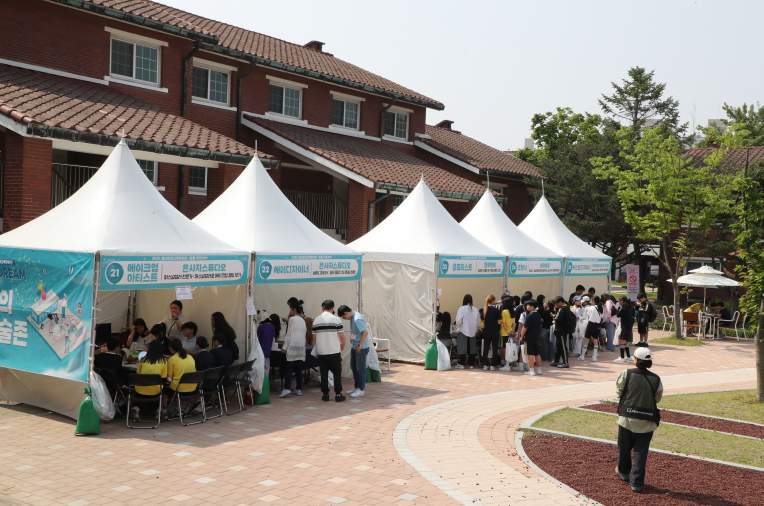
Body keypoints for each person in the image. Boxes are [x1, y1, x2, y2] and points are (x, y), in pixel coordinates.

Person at [615, 347, 663, 493]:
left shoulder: (626, 373)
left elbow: (619, 392)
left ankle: (624, 472)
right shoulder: (656, 379)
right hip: (647, 421)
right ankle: (636, 483)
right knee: (641, 452)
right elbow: (657, 399)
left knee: (624, 448)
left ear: (635, 359)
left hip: (627, 418)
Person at [312, 300, 346, 402]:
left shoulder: (316, 320)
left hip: (322, 351)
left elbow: (314, 339)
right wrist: (343, 344)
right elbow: (342, 336)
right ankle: (338, 394)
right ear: (332, 308)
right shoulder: (336, 320)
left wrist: (315, 350)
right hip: (334, 350)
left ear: (322, 308)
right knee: (337, 372)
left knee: (324, 373)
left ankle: (325, 395)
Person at [131, 339, 167, 421]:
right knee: (163, 389)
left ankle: (136, 407)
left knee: (139, 391)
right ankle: (159, 409)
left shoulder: (143, 360)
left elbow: (138, 374)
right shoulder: (163, 362)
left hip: (140, 389)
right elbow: (163, 379)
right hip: (155, 390)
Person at [338, 304, 370, 397]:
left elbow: (365, 333)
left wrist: (360, 345)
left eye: (344, 317)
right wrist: (353, 339)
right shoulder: (353, 317)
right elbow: (356, 331)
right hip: (355, 346)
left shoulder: (357, 319)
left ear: (346, 313)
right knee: (354, 367)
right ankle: (356, 387)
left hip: (361, 348)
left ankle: (361, 389)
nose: (345, 319)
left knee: (360, 368)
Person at [280, 300, 307, 398]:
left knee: (289, 369)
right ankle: (298, 389)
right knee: (299, 369)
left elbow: (288, 334)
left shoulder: (292, 319)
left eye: (290, 309)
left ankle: (286, 389)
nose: (290, 311)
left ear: (294, 309)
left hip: (292, 346)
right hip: (301, 347)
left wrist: (284, 347)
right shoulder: (303, 320)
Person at [164, 338, 197, 410]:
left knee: (165, 389)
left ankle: (164, 409)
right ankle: (178, 408)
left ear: (171, 349)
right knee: (178, 383)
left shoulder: (172, 360)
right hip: (193, 387)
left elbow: (169, 380)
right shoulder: (190, 357)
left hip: (179, 389)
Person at [454, 294, 480, 369]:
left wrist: (458, 326)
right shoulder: (475, 309)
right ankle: (471, 363)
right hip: (472, 331)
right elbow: (478, 321)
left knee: (462, 346)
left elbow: (458, 320)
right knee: (471, 347)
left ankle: (461, 363)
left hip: (463, 330)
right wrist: (475, 328)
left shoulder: (462, 308)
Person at [520, 300, 542, 375]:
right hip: (537, 337)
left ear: (532, 307)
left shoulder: (529, 316)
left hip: (529, 337)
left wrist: (521, 335)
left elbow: (525, 327)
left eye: (528, 305)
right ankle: (539, 370)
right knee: (537, 354)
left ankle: (531, 371)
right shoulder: (538, 315)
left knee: (530, 354)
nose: (527, 307)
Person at [481, 295, 502, 371]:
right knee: (495, 349)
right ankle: (493, 365)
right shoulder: (496, 311)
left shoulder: (484, 310)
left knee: (486, 348)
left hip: (486, 331)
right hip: (495, 331)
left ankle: (485, 364)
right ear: (493, 301)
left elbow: (483, 322)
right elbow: (499, 322)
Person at [550, 296, 572, 368]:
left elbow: (560, 320)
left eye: (556, 303)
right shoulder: (566, 308)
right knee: (559, 346)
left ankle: (565, 362)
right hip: (561, 330)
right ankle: (556, 360)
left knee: (563, 346)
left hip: (561, 330)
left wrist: (555, 320)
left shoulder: (563, 309)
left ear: (560, 302)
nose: (556, 305)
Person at [579, 296, 602, 362]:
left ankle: (582, 356)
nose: (590, 302)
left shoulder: (591, 307)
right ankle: (594, 357)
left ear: (593, 301)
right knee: (595, 340)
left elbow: (588, 316)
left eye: (591, 300)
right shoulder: (600, 308)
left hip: (591, 324)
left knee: (587, 340)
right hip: (598, 325)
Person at [615, 297, 634, 363]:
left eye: (619, 301)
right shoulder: (628, 307)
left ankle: (622, 357)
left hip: (625, 327)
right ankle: (628, 356)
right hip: (628, 327)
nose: (618, 302)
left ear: (622, 301)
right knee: (625, 341)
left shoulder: (624, 308)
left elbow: (618, 314)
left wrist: (618, 307)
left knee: (622, 340)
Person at [498, 297, 515, 371]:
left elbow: (503, 323)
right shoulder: (512, 311)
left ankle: (504, 363)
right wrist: (512, 331)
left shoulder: (504, 311)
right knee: (509, 348)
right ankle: (508, 362)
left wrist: (507, 331)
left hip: (504, 333)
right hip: (510, 332)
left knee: (503, 347)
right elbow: (514, 323)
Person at [537, 295, 553, 362]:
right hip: (552, 329)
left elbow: (541, 320)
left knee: (544, 344)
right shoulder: (555, 312)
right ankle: (551, 358)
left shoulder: (544, 311)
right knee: (551, 344)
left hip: (544, 328)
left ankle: (544, 358)